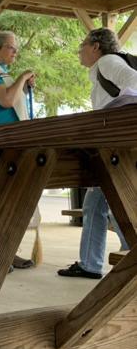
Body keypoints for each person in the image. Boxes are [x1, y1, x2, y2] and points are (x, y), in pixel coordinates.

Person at [58, 28, 136, 279]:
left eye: (82, 45)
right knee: (100, 203)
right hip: (115, 146)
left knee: (110, 201)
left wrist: (110, 118)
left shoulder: (108, 61)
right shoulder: (103, 67)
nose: (79, 50)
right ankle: (96, 262)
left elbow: (134, 83)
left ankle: (105, 260)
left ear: (95, 46)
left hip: (116, 146)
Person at [0, 30, 38, 270]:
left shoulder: (4, 75)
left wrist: (22, 83)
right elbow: (5, 101)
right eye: (11, 47)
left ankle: (8, 252)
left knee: (14, 198)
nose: (15, 51)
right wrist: (23, 77)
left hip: (15, 142)